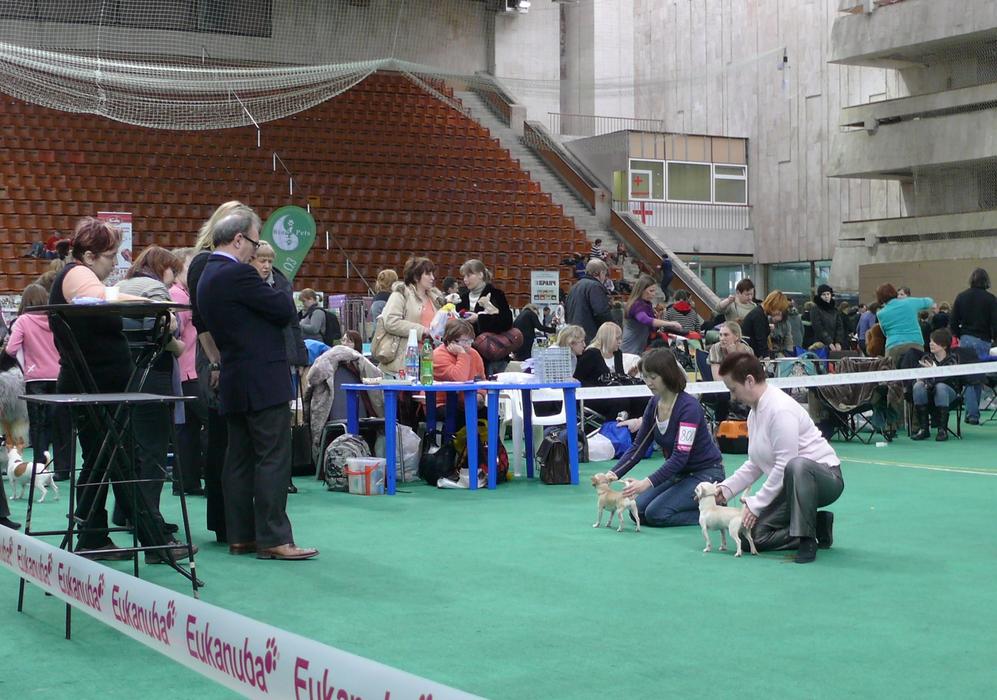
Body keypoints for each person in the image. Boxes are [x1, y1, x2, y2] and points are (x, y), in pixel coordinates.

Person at [50, 217, 191, 562]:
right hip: (95, 387)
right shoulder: (76, 274)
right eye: (110, 256)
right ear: (88, 255)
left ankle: (96, 537)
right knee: (115, 461)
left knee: (105, 461)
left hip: (100, 386)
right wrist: (151, 305)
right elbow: (96, 297)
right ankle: (151, 540)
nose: (115, 264)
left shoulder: (77, 274)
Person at [196, 205, 317, 561]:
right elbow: (283, 309)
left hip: (235, 377)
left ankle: (241, 536)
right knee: (272, 457)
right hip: (263, 378)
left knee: (238, 459)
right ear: (238, 240)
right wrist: (271, 286)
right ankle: (274, 538)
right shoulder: (238, 275)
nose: (255, 251)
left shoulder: (206, 274)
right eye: (253, 242)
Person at [714, 352, 843, 563]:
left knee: (797, 465)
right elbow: (755, 463)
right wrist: (726, 489)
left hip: (826, 479)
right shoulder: (754, 413)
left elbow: (785, 464)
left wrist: (756, 504)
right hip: (791, 486)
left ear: (749, 381)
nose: (732, 396)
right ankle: (818, 524)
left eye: (733, 389)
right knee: (750, 538)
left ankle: (807, 539)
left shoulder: (780, 409)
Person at [606, 348, 725, 526]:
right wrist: (611, 474)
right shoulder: (653, 403)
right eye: (645, 377)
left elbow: (679, 457)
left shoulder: (689, 408)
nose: (648, 382)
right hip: (679, 474)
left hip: (706, 474)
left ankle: (715, 511)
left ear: (667, 375)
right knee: (638, 511)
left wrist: (646, 483)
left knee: (656, 514)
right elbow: (638, 447)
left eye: (653, 377)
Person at [114, 246, 187, 537]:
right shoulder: (155, 288)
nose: (174, 277)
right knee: (153, 450)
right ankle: (150, 521)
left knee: (129, 448)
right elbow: (160, 326)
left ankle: (128, 513)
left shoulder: (121, 286)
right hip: (152, 373)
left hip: (123, 372)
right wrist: (177, 345)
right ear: (162, 268)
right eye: (173, 270)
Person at [185, 201, 242, 544]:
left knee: (228, 439)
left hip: (224, 356)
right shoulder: (204, 263)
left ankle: (230, 518)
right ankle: (223, 520)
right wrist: (216, 361)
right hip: (215, 357)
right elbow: (200, 318)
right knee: (222, 439)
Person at [250, 240, 309, 495]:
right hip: (256, 360)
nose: (266, 265)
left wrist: (299, 357)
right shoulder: (245, 285)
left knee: (285, 420)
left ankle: (285, 477)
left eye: (269, 261)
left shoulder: (282, 284)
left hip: (283, 358)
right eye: (261, 260)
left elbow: (293, 324)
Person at [4, 284, 72, 480]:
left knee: (39, 425)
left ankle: (40, 468)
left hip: (35, 379)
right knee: (61, 424)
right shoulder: (57, 319)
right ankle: (62, 469)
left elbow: (11, 349)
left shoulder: (23, 321)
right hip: (60, 376)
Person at [169, 247, 206, 496]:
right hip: (189, 371)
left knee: (188, 429)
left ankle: (185, 482)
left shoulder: (185, 295)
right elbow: (177, 333)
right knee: (207, 423)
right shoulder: (178, 296)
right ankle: (195, 480)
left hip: (187, 372)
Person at [379, 256, 444, 378]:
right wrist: (422, 330)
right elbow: (391, 322)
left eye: (433, 274)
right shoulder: (401, 294)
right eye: (428, 274)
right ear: (416, 277)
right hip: (404, 361)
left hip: (429, 360)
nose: (433, 278)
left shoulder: (435, 299)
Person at [950, 268, 996, 425]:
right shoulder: (991, 299)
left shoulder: (961, 297)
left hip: (966, 339)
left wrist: (959, 335)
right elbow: (995, 322)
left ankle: (972, 413)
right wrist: (994, 339)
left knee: (970, 377)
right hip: (983, 340)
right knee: (977, 377)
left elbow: (953, 321)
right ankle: (972, 413)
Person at [573, 322, 646, 421]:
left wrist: (628, 375)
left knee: (641, 398)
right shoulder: (591, 354)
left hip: (615, 392)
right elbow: (578, 379)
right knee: (621, 402)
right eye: (617, 339)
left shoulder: (617, 354)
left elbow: (617, 377)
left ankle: (637, 427)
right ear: (608, 338)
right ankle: (613, 428)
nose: (620, 342)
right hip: (594, 395)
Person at [457, 259, 514, 372]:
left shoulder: (497, 294)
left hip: (492, 356)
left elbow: (506, 322)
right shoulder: (461, 298)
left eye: (469, 275)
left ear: (480, 275)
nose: (465, 279)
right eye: (464, 276)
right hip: (468, 354)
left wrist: (479, 319)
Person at [910, 328, 962, 442]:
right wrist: (920, 378)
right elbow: (915, 378)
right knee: (918, 386)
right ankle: (924, 429)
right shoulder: (926, 359)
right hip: (928, 392)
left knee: (941, 387)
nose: (931, 344)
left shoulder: (953, 359)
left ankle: (942, 430)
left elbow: (947, 378)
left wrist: (933, 370)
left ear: (944, 345)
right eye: (930, 341)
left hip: (949, 393)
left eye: (935, 341)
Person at [432, 318, 486, 423]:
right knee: (458, 418)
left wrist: (480, 394)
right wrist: (462, 354)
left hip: (467, 401)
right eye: (463, 341)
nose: (467, 345)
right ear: (450, 341)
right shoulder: (438, 355)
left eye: (470, 341)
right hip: (440, 403)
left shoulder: (474, 354)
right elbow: (459, 379)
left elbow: (481, 380)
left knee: (491, 416)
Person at [705, 321, 754, 422]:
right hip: (724, 387)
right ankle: (720, 424)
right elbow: (718, 378)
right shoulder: (715, 348)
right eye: (720, 335)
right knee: (723, 395)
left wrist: (733, 355)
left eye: (726, 335)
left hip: (743, 386)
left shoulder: (747, 351)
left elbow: (746, 376)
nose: (722, 338)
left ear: (736, 337)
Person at [875, 283, 933, 365]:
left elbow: (885, 332)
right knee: (916, 371)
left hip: (893, 346)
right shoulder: (909, 302)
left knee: (893, 371)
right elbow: (929, 302)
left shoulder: (880, 314)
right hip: (915, 343)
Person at [620, 275, 678, 354]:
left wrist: (659, 318)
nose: (654, 294)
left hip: (639, 347)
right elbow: (644, 320)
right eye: (651, 291)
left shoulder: (647, 304)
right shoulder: (637, 305)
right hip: (630, 348)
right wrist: (670, 323)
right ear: (642, 290)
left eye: (654, 291)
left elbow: (651, 328)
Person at [564, 258, 613, 343]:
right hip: (589, 336)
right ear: (600, 273)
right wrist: (613, 326)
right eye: (604, 274)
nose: (604, 278)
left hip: (574, 335)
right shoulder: (595, 286)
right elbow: (601, 312)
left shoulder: (574, 287)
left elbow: (566, 312)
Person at [740, 290, 789, 358]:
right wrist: (767, 358)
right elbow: (761, 342)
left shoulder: (760, 313)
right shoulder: (759, 316)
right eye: (779, 309)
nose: (779, 313)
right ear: (773, 305)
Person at [809, 284, 846, 352]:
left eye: (828, 294)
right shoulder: (815, 309)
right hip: (820, 344)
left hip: (835, 344)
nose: (826, 296)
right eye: (823, 294)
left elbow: (839, 326)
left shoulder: (834, 310)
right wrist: (829, 342)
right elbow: (818, 328)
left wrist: (838, 342)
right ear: (820, 296)